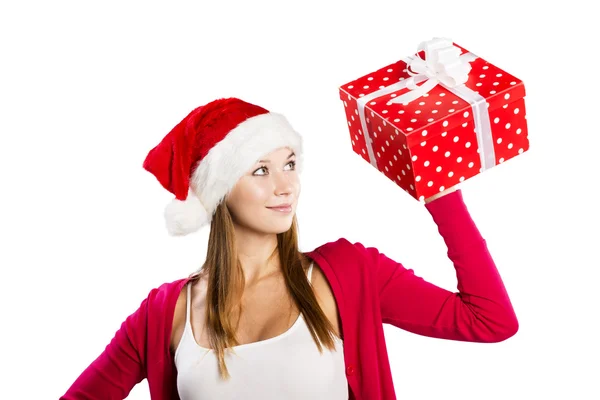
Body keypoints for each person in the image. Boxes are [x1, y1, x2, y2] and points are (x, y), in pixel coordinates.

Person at [60, 97, 519, 400]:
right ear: (217, 192)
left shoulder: (350, 273)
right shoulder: (165, 313)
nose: (286, 186)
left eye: (290, 164)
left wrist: (441, 194)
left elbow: (491, 320)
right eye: (260, 170)